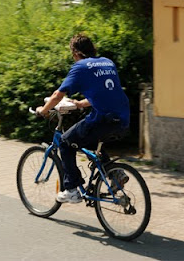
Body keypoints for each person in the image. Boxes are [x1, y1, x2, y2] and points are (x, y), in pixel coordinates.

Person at [36, 34, 130, 203]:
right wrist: (79, 104)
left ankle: (71, 189)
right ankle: (115, 174)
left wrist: (43, 110)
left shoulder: (80, 67)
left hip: (103, 119)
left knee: (65, 143)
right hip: (122, 119)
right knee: (91, 142)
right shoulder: (107, 62)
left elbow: (58, 95)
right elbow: (105, 94)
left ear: (76, 53)